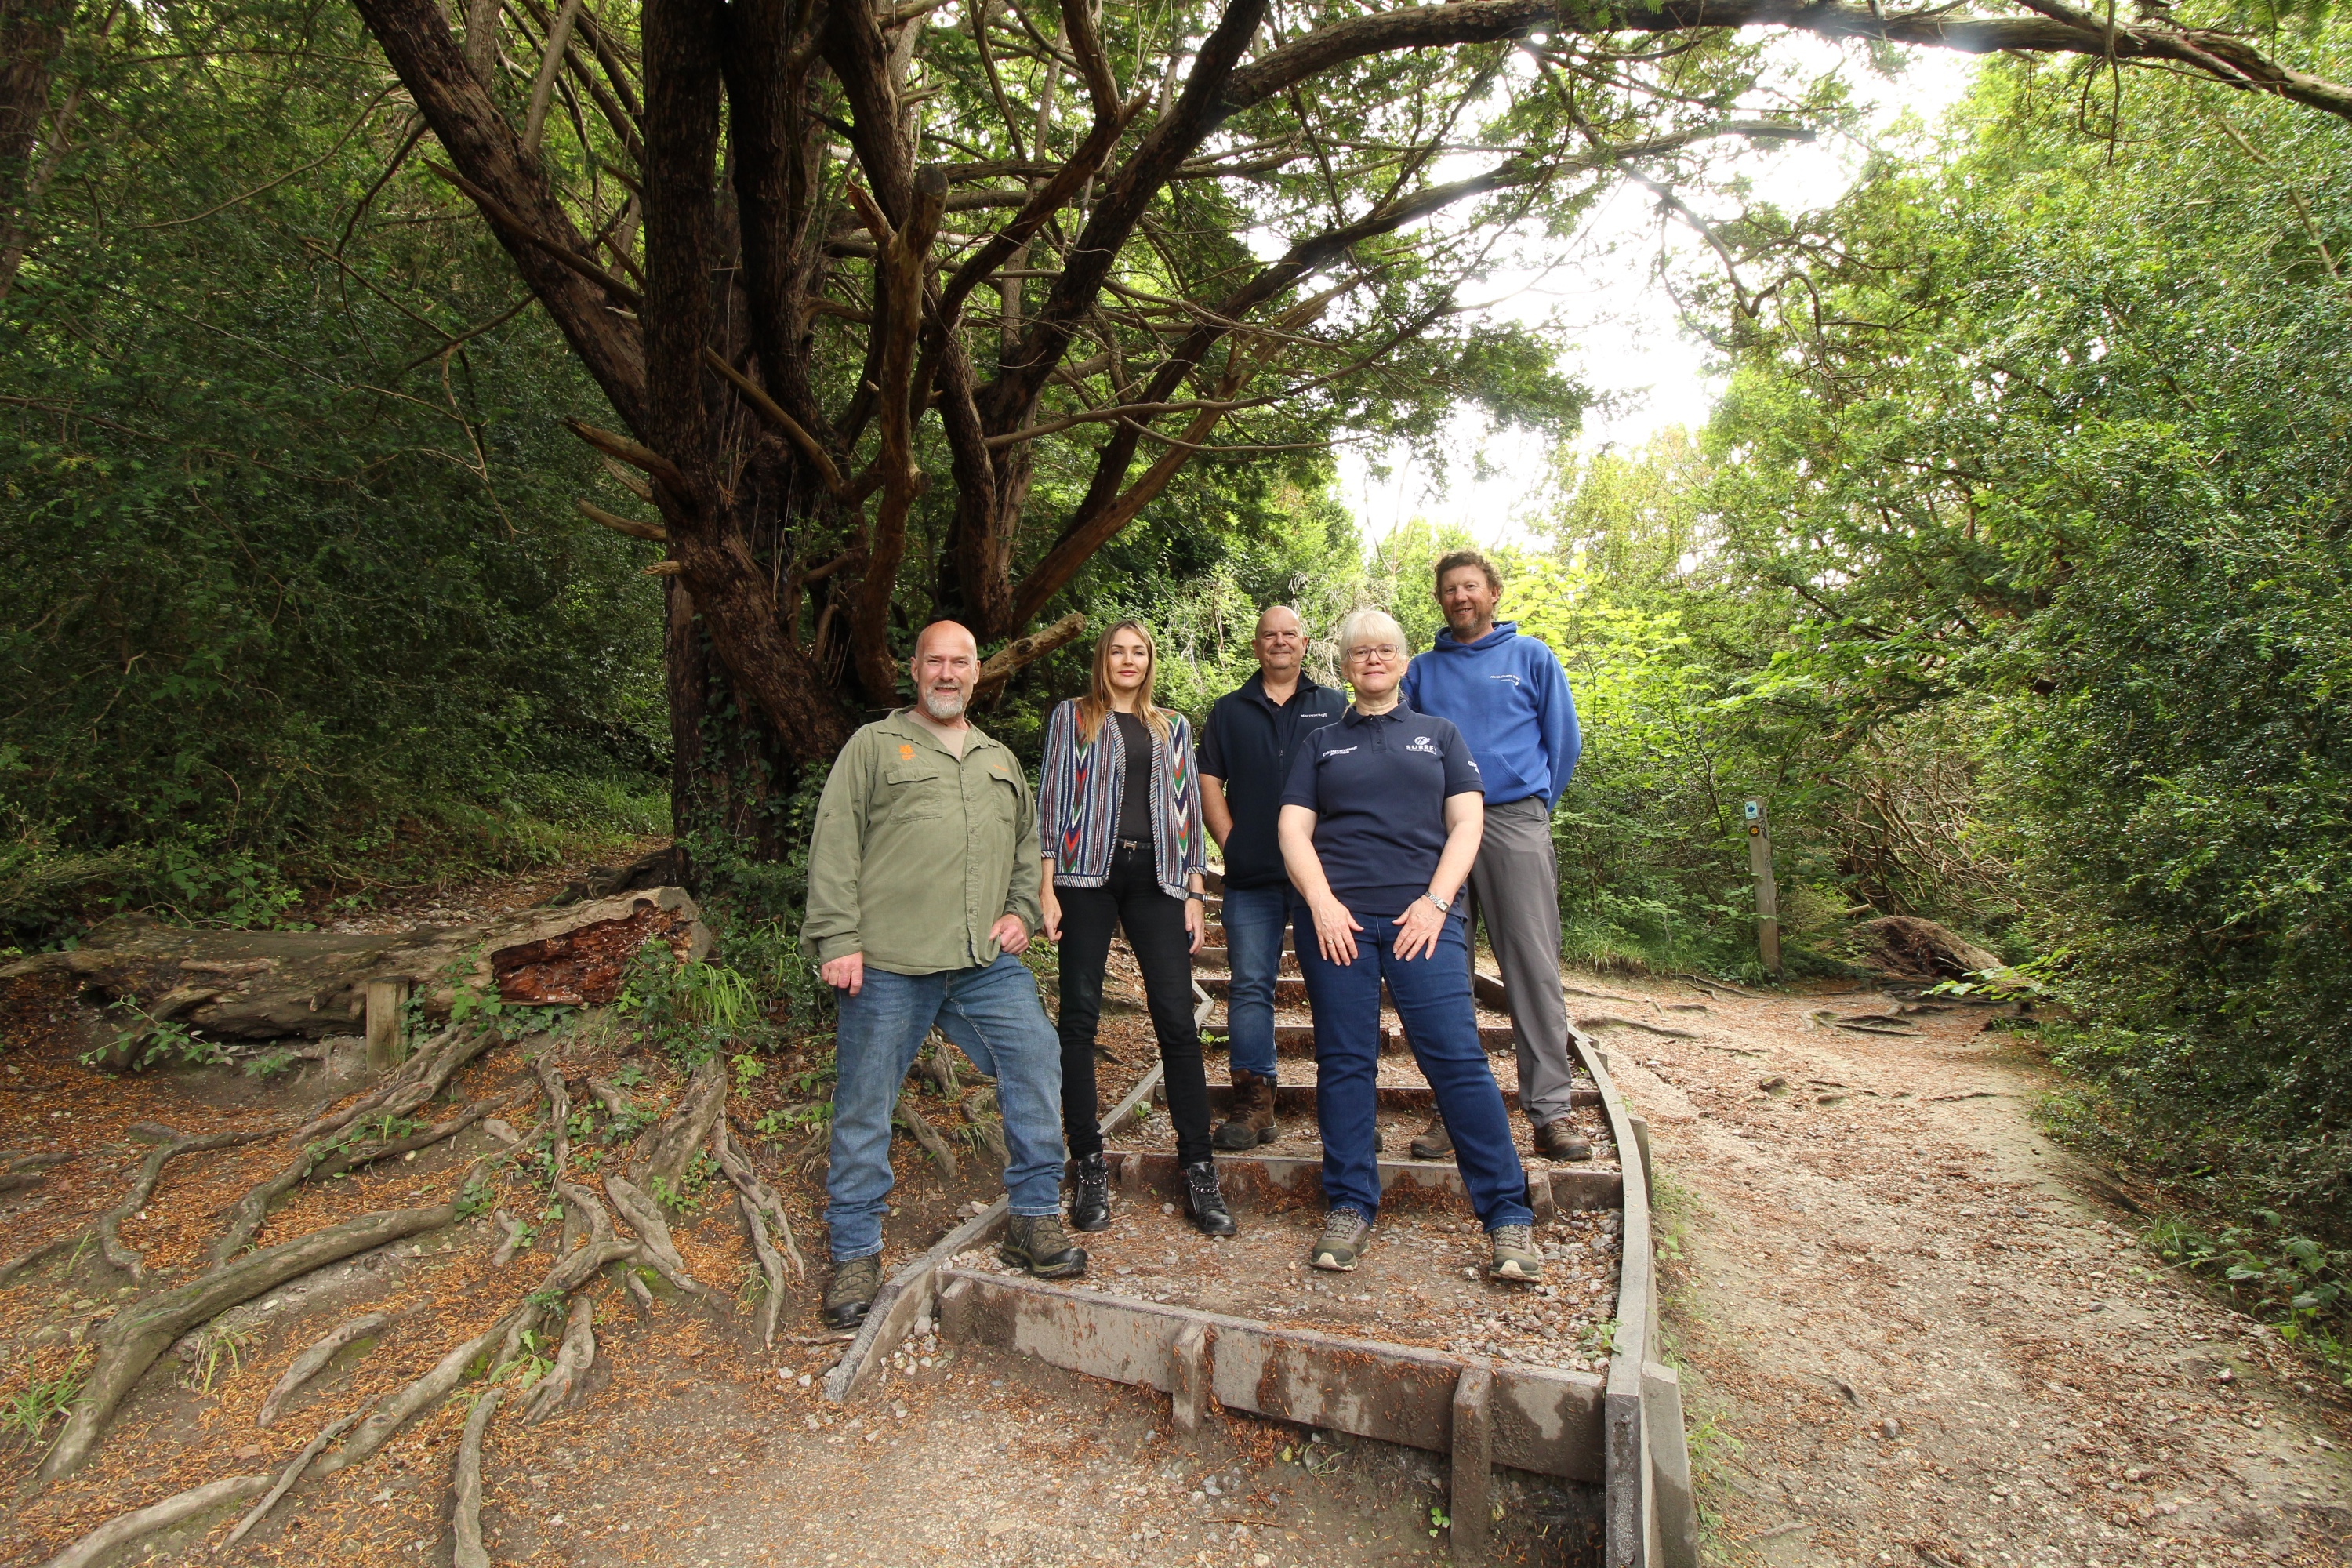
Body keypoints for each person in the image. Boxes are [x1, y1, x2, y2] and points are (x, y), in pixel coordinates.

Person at [802, 622, 1083, 1329]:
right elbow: (833, 841)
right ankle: (856, 1250)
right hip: (891, 960)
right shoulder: (872, 747)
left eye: (961, 662)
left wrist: (1022, 908)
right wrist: (838, 936)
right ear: (915, 670)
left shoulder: (997, 758)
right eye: (937, 662)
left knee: (1036, 1056)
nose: (949, 674)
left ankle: (1033, 1216)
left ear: (978, 671)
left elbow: (1027, 845)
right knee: (866, 1099)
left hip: (983, 963)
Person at [1277, 608, 1542, 1282]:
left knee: (1456, 1060)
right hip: (1338, 925)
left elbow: (1467, 823)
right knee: (1343, 1061)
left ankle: (1508, 1215)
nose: (1373, 658)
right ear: (1344, 665)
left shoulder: (1441, 735)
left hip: (1425, 922)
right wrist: (1323, 905)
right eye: (1360, 651)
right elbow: (1292, 830)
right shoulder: (1321, 743)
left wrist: (1435, 902)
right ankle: (1348, 1204)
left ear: (1403, 661)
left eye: (1386, 649)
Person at [1038, 621, 1235, 1238]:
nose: (1129, 660)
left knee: (1177, 1019)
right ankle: (1088, 1162)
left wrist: (1195, 891)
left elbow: (1186, 812)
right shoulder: (1074, 716)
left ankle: (1199, 1167)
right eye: (1118, 651)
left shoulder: (1172, 724)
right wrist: (1045, 886)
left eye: (1140, 651)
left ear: (1151, 660)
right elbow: (1051, 797)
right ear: (1104, 659)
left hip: (1157, 880)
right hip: (1082, 877)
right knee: (1079, 1018)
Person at [1399, 550, 1593, 1164]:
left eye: (1471, 587)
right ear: (1439, 599)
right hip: (1440, 831)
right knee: (1442, 974)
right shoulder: (1421, 671)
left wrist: (1530, 807)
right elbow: (1401, 743)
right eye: (1450, 589)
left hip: (1513, 821)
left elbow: (1563, 743)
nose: (1461, 597)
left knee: (1532, 967)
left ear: (1494, 594)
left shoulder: (1530, 657)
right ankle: (1455, 1112)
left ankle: (1551, 1111)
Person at [1197, 604, 1348, 1149]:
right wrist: (1230, 843)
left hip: (1322, 880)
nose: (1280, 642)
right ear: (1257, 645)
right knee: (1250, 987)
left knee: (1336, 987)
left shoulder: (1334, 705)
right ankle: (1254, 1101)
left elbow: (1355, 778)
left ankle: (1348, 1105)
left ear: (1305, 643)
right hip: (1252, 874)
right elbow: (1209, 780)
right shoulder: (1229, 710)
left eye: (1289, 634)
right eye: (1269, 635)